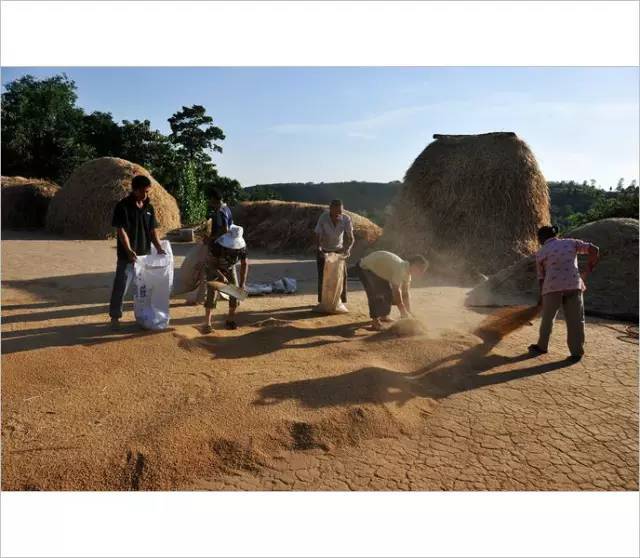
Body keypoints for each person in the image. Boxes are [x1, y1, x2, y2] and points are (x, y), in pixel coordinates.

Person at [528, 225, 600, 362]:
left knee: (548, 319)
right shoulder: (570, 242)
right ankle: (576, 353)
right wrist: (590, 266)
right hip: (573, 285)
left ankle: (542, 347)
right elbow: (594, 249)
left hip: (552, 287)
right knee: (576, 320)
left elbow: (541, 278)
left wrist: (540, 298)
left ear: (542, 238)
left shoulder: (541, 253)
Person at [109, 174, 166, 329]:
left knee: (144, 289)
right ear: (134, 190)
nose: (146, 195)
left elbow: (152, 231)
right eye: (143, 191)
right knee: (121, 286)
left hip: (144, 256)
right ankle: (115, 316)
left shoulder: (149, 207)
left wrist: (159, 247)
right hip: (127, 256)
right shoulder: (123, 206)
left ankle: (143, 316)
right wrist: (128, 250)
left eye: (148, 192)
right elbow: (121, 231)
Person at [355, 250, 429, 331]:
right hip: (365, 267)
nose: (421, 273)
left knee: (387, 293)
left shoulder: (407, 273)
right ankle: (375, 322)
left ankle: (384, 316)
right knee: (375, 294)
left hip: (377, 271)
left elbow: (405, 293)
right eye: (420, 270)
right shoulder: (401, 268)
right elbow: (396, 290)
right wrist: (402, 311)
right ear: (414, 266)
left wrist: (409, 312)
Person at [202, 224, 249, 334]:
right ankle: (207, 324)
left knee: (236, 292)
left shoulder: (242, 248)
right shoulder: (216, 246)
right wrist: (221, 277)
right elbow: (210, 264)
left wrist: (242, 284)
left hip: (229, 267)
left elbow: (244, 264)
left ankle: (230, 320)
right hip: (214, 268)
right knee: (212, 293)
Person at [314, 199, 355, 306]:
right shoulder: (323, 217)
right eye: (336, 211)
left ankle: (340, 302)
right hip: (324, 250)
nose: (339, 214)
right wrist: (319, 249)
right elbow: (317, 234)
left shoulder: (346, 219)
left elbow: (351, 238)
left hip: (338, 250)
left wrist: (348, 249)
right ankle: (323, 301)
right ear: (330, 209)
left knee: (341, 276)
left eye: (340, 211)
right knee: (323, 277)